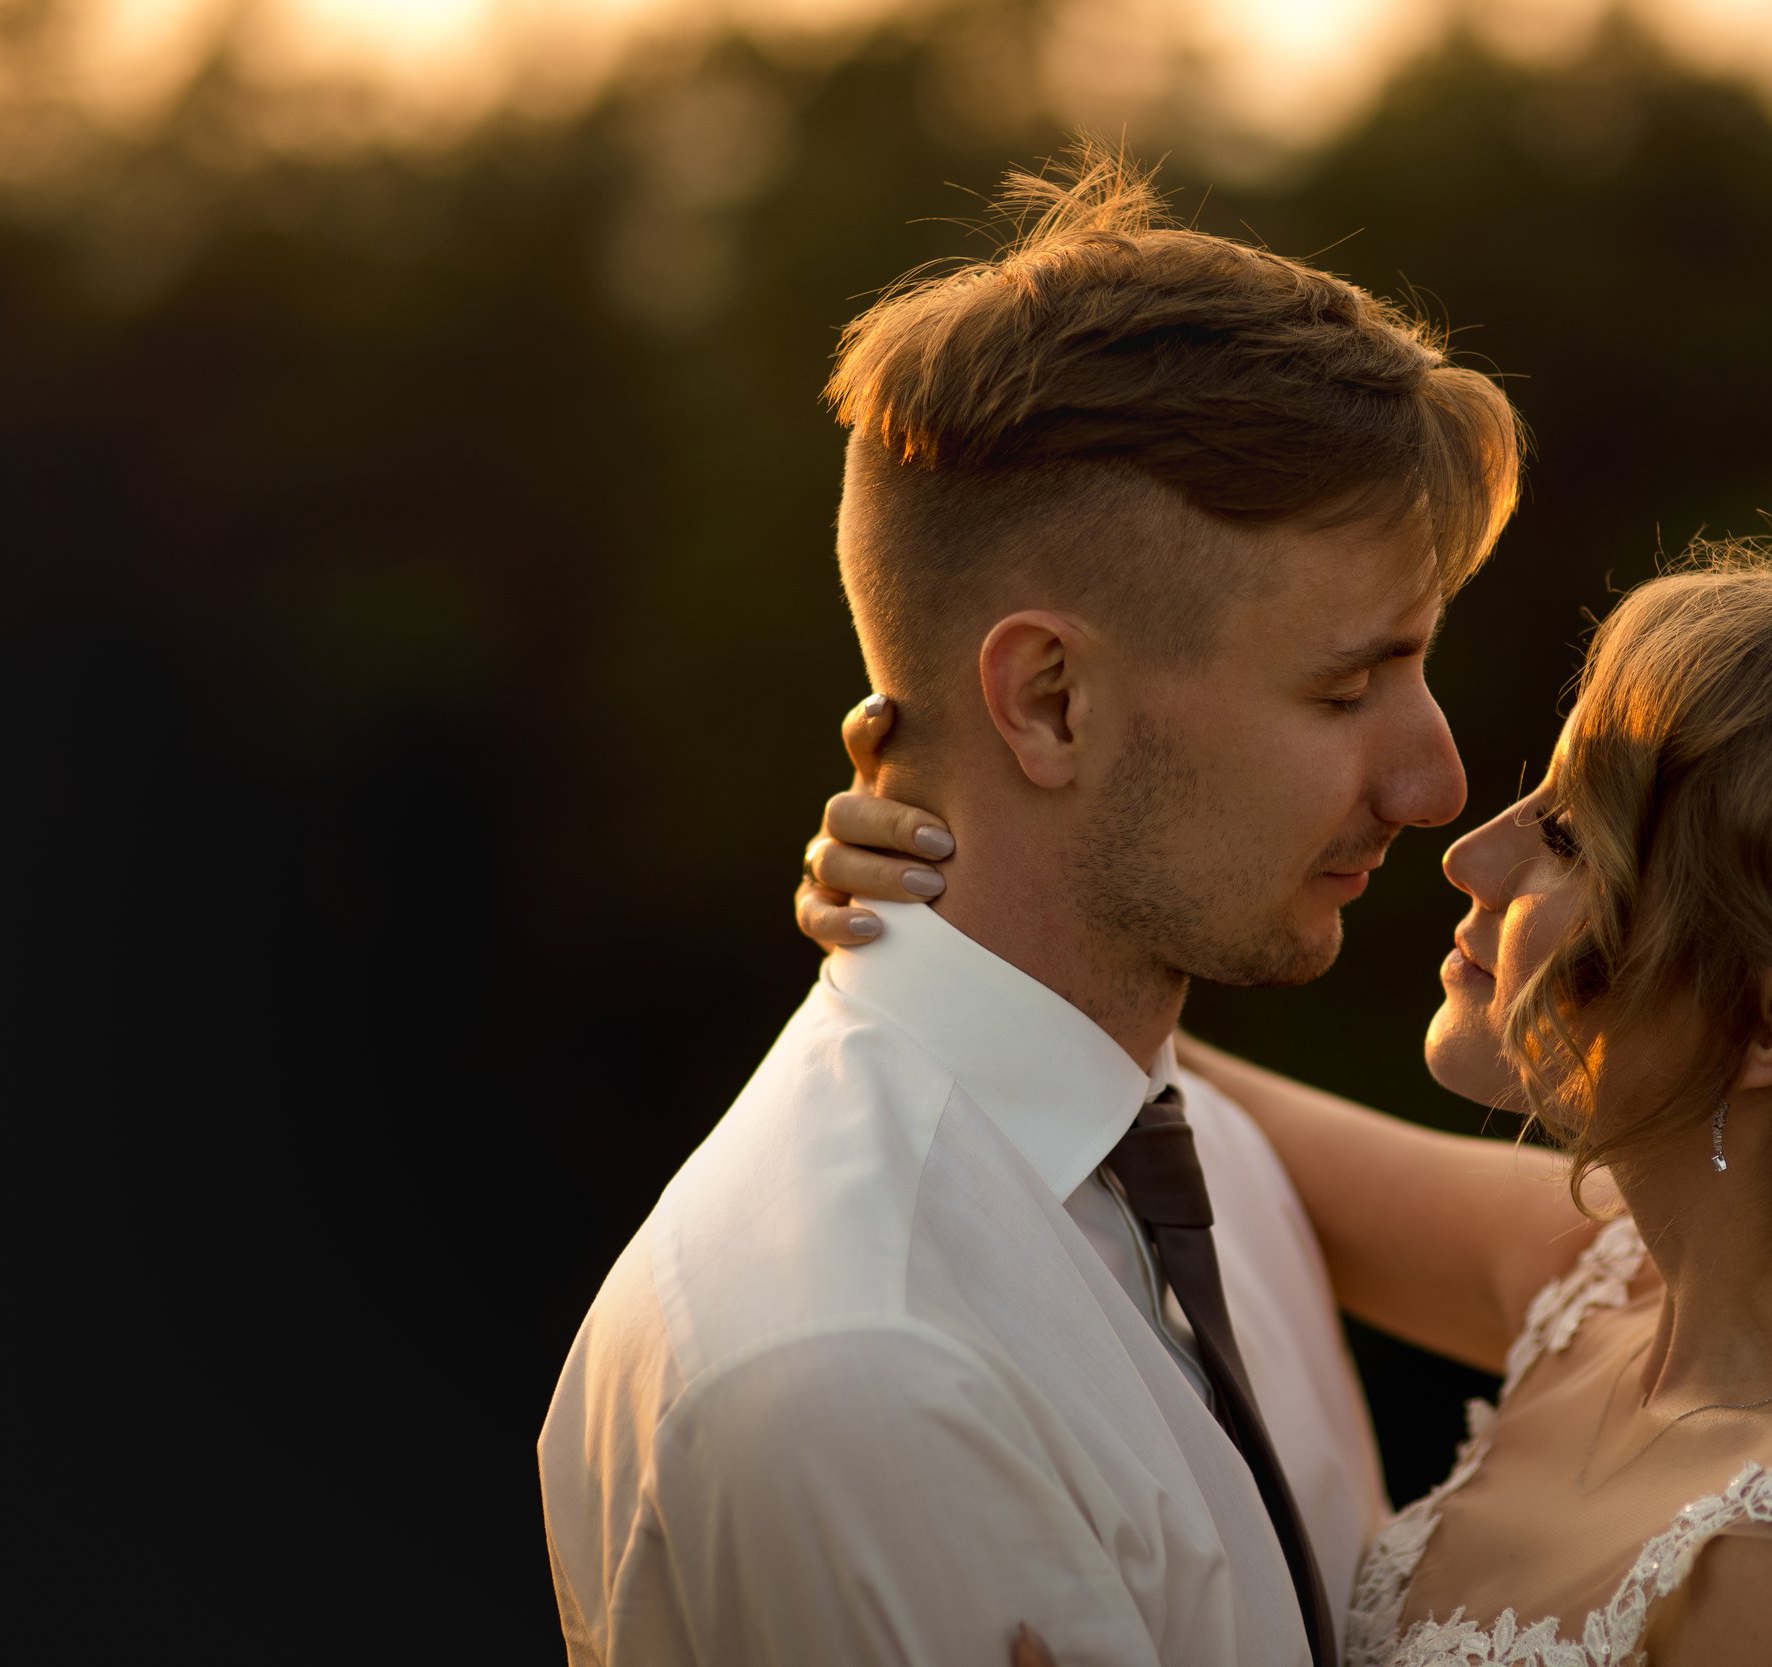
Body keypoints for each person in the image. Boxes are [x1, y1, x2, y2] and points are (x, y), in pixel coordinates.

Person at [803, 530, 1772, 1666]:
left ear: (1765, 1023)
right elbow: (1159, 1098)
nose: (1472, 855)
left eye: (1568, 837)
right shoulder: (1613, 1283)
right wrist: (962, 903)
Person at [536, 143, 1523, 1667]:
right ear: (1050, 700)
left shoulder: (1210, 1161)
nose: (1436, 782)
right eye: (1348, 687)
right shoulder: (862, 1366)